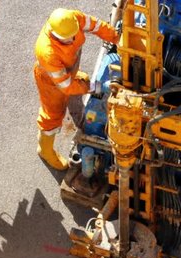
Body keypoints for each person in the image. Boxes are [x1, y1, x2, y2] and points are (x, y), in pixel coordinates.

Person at [33, 8, 119, 170]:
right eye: (67, 39)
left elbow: (97, 26)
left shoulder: (73, 19)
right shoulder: (47, 52)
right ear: (54, 35)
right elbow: (65, 86)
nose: (73, 39)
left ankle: (79, 113)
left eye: (74, 35)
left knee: (82, 80)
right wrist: (93, 88)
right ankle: (45, 150)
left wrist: (117, 38)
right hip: (51, 82)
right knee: (52, 115)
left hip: (68, 70)